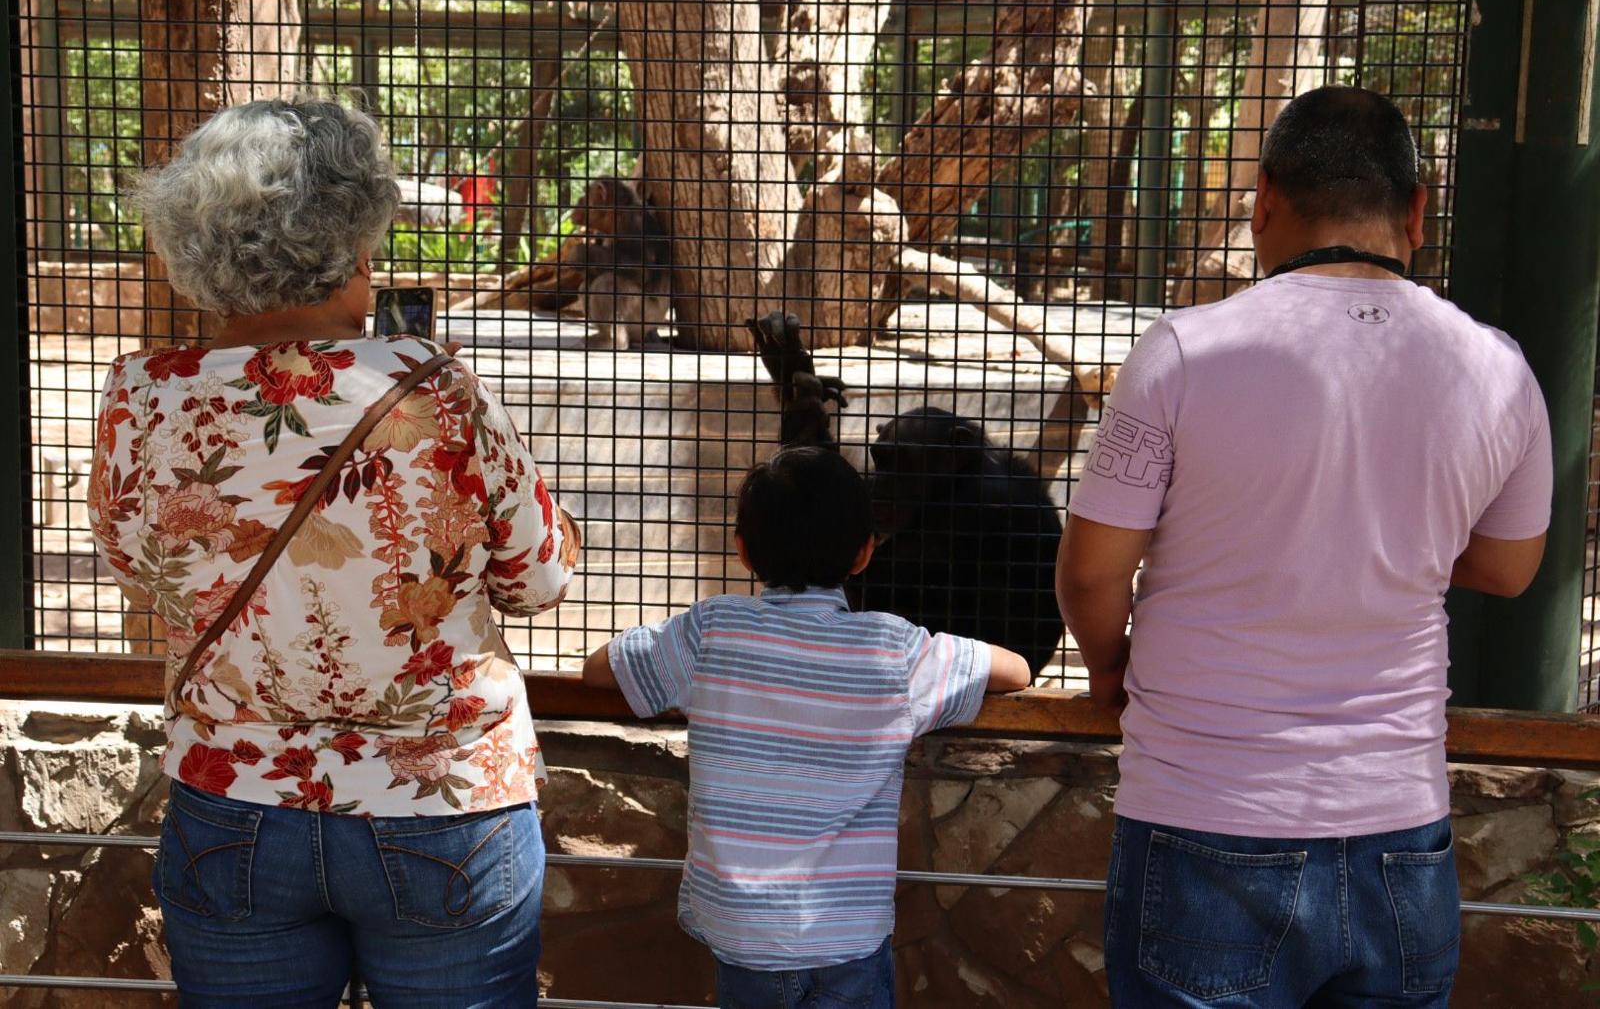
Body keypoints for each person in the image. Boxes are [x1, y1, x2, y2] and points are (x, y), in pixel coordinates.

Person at [1058, 85, 1552, 1007]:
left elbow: (1091, 570)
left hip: (1204, 813)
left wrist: (1108, 668)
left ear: (1263, 202)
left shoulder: (1180, 352)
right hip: (1403, 833)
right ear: (1416, 210)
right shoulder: (1498, 367)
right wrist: (1377, 538)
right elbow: (1511, 565)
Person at [87, 97, 578, 1007]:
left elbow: (136, 562)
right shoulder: (436, 389)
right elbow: (541, 576)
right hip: (446, 804)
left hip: (232, 796)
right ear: (354, 248)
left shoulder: (141, 395)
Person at [582, 447, 1032, 1009]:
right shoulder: (895, 649)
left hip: (739, 930)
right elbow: (1016, 670)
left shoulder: (713, 630)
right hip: (847, 936)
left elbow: (598, 669)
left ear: (742, 550)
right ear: (865, 552)